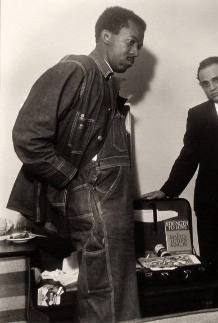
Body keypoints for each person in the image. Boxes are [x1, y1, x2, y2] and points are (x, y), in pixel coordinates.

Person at [7, 6, 146, 323]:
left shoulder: (108, 85)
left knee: (110, 294)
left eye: (139, 45)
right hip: (93, 209)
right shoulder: (77, 69)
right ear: (105, 36)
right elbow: (28, 136)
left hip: (108, 215)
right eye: (131, 41)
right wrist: (73, 181)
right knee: (106, 297)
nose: (136, 51)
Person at [142, 56, 218, 306]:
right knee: (212, 269)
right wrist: (167, 189)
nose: (212, 87)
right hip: (210, 207)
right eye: (205, 83)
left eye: (216, 79)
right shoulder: (197, 115)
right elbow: (188, 157)